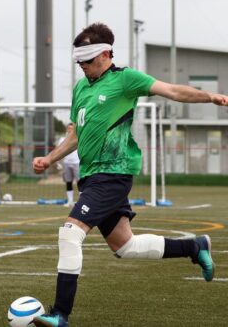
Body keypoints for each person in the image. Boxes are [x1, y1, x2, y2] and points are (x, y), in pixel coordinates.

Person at [32, 23, 221, 327]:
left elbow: (172, 90)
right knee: (125, 246)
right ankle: (194, 246)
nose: (82, 66)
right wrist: (49, 158)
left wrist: (209, 97)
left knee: (69, 233)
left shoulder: (125, 79)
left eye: (87, 60)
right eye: (79, 61)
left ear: (105, 54)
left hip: (114, 173)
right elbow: (75, 135)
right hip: (91, 176)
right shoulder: (81, 88)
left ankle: (60, 314)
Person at [57, 123, 79, 207]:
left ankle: (81, 201)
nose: (70, 130)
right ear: (67, 129)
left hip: (77, 163)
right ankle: (70, 201)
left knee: (80, 182)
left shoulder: (78, 137)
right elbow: (58, 151)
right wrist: (58, 162)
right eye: (69, 128)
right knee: (68, 182)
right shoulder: (62, 139)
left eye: (72, 128)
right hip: (66, 163)